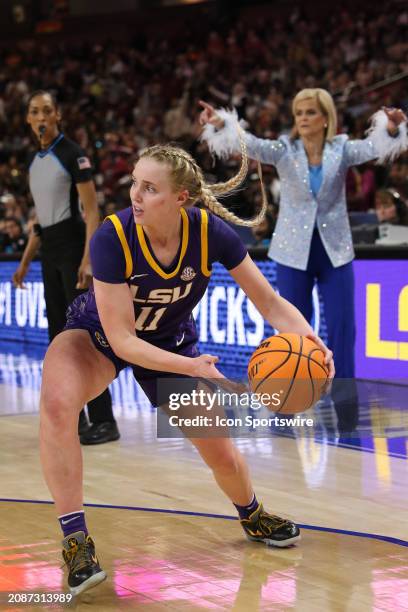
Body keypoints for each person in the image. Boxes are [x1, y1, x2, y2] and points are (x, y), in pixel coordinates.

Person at [39, 139, 334, 596]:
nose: (136, 195)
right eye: (135, 183)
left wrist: (312, 341)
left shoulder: (211, 233)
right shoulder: (111, 237)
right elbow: (122, 341)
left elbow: (272, 304)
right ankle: (76, 540)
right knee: (58, 404)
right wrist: (192, 366)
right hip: (99, 337)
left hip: (169, 342)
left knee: (221, 452)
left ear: (181, 198)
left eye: (150, 188)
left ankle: (252, 514)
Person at [199, 90, 407, 433]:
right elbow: (249, 143)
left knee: (343, 332)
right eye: (299, 112)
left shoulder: (341, 148)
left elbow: (374, 148)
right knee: (290, 333)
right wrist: (221, 123)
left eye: (310, 112)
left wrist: (394, 129)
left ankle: (347, 415)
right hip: (291, 253)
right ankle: (284, 408)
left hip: (335, 251)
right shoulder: (284, 149)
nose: (303, 118)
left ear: (325, 117)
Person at [12, 90, 119, 445]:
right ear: (28, 119)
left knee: (85, 336)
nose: (40, 116)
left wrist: (89, 258)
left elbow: (92, 211)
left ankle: (104, 419)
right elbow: (40, 220)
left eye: (46, 110)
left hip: (75, 249)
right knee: (59, 339)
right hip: (50, 252)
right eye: (34, 112)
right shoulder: (33, 160)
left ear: (57, 115)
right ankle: (77, 418)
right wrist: (26, 262)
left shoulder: (73, 154)